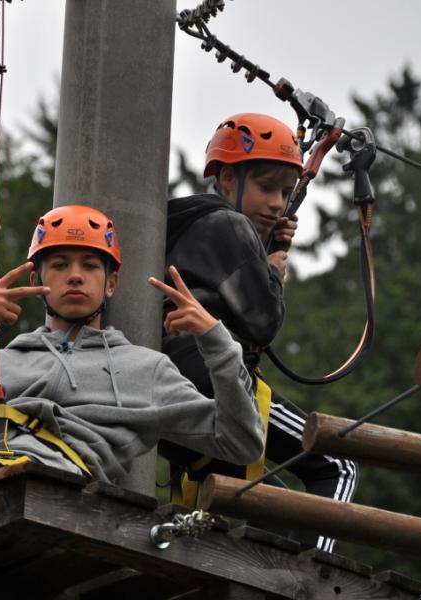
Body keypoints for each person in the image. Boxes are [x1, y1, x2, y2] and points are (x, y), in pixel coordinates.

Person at [0, 204, 264, 484]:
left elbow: (240, 443)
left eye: (90, 266)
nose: (75, 276)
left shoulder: (147, 370)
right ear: (38, 279)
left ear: (111, 284)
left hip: (56, 491)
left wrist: (216, 340)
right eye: (60, 265)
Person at [160, 113, 358, 552]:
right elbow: (262, 322)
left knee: (269, 511)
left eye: (285, 193)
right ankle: (317, 574)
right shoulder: (228, 224)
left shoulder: (183, 225)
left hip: (173, 382)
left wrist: (269, 247)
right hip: (212, 378)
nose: (276, 204)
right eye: (266, 188)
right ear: (228, 178)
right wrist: (273, 272)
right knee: (336, 466)